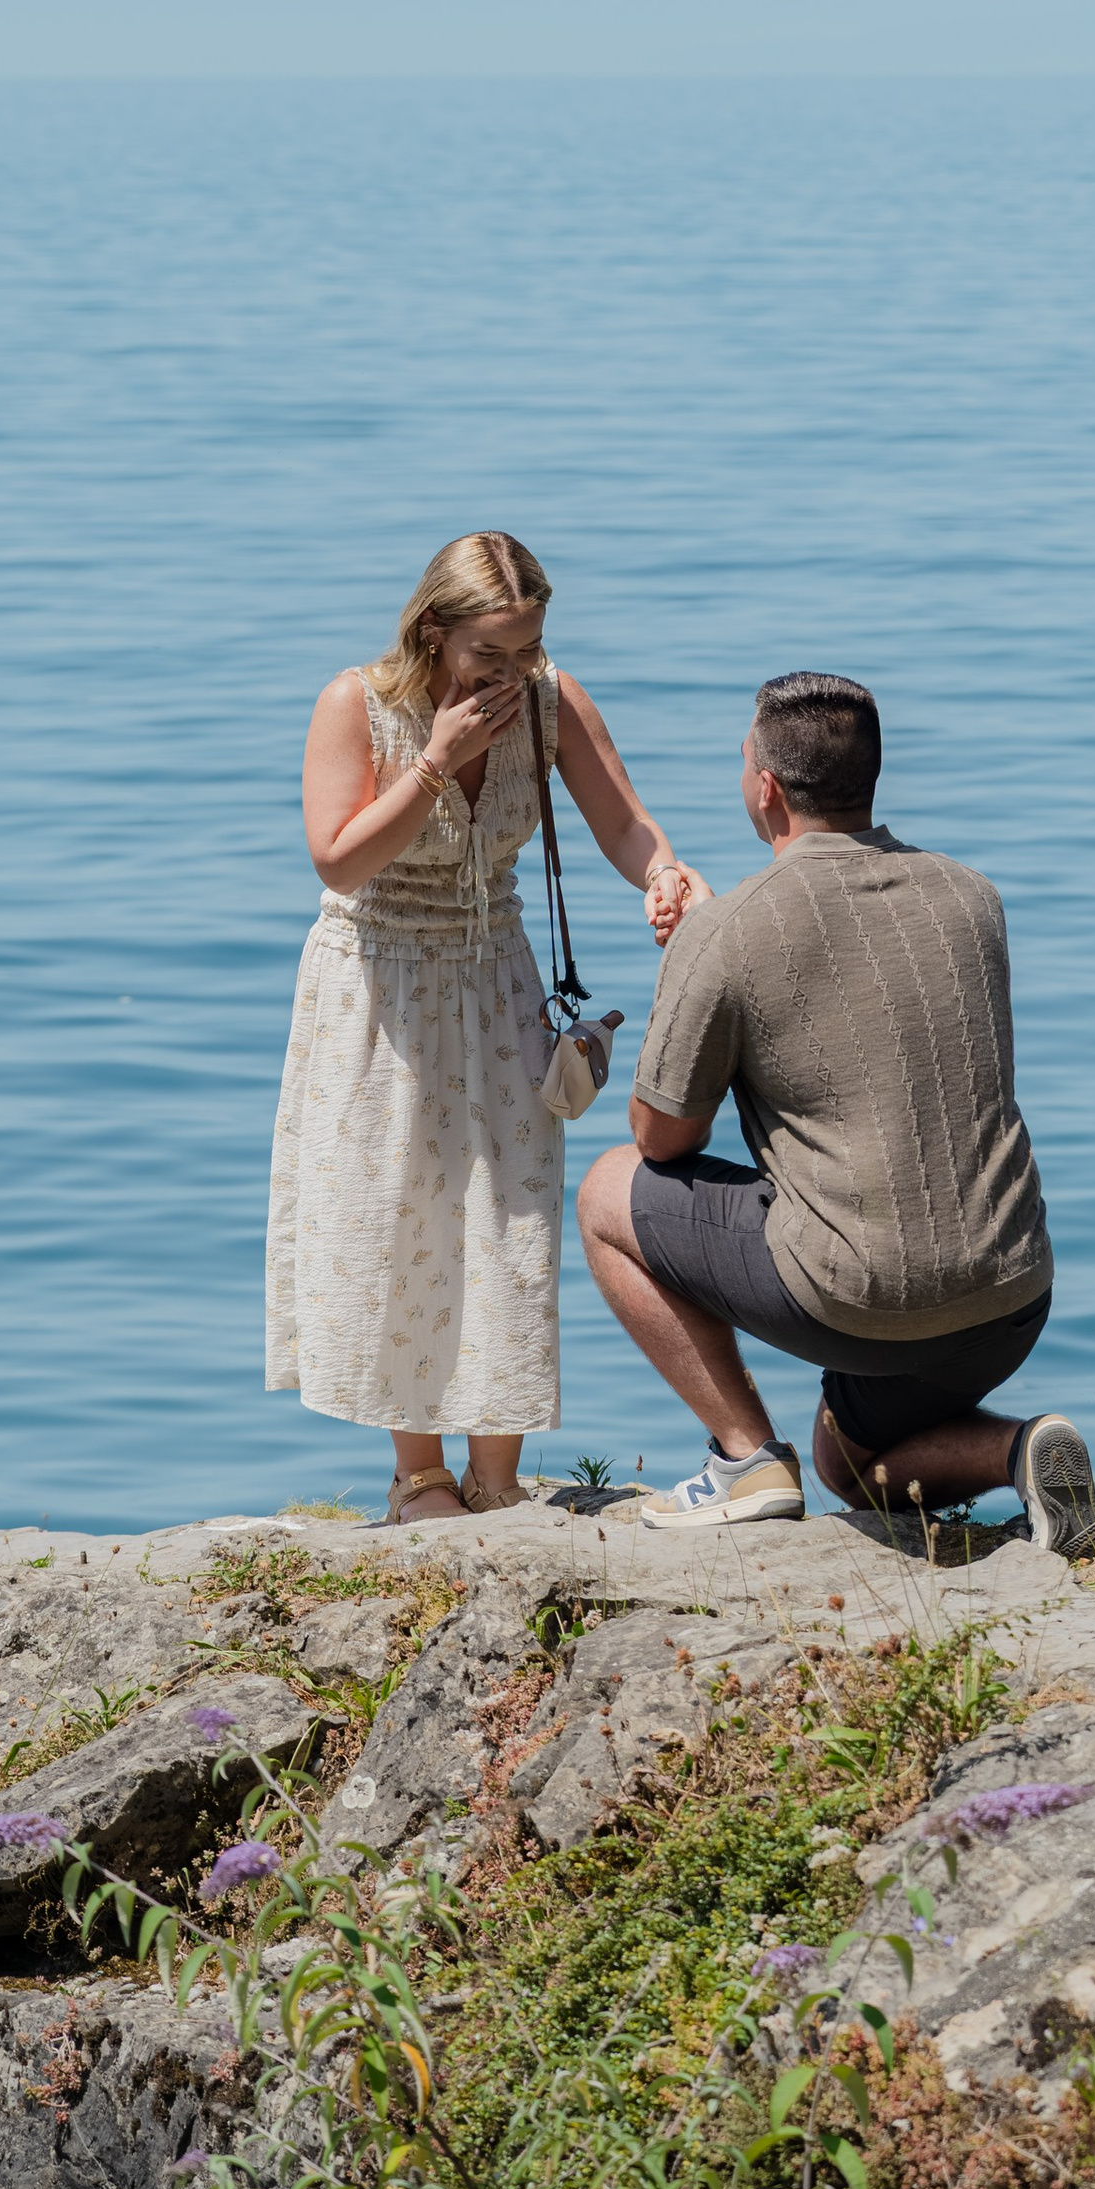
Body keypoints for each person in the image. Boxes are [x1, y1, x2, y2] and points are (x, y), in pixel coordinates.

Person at [576, 670, 1095, 1553]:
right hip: (1010, 1296)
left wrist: (699, 958)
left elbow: (661, 1137)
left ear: (765, 787)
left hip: (854, 1300)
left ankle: (746, 1460)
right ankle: (1024, 1452)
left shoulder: (730, 930)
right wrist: (723, 941)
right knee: (849, 1467)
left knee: (605, 1193)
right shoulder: (973, 898)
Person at [267, 532, 714, 1525]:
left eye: (528, 648)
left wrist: (664, 878)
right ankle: (418, 1475)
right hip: (377, 986)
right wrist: (435, 762)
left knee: (511, 1219)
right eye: (491, 655)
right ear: (434, 632)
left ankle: (497, 1475)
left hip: (497, 978)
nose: (514, 673)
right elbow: (337, 863)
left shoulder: (550, 698)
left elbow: (623, 821)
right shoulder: (359, 705)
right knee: (401, 1215)